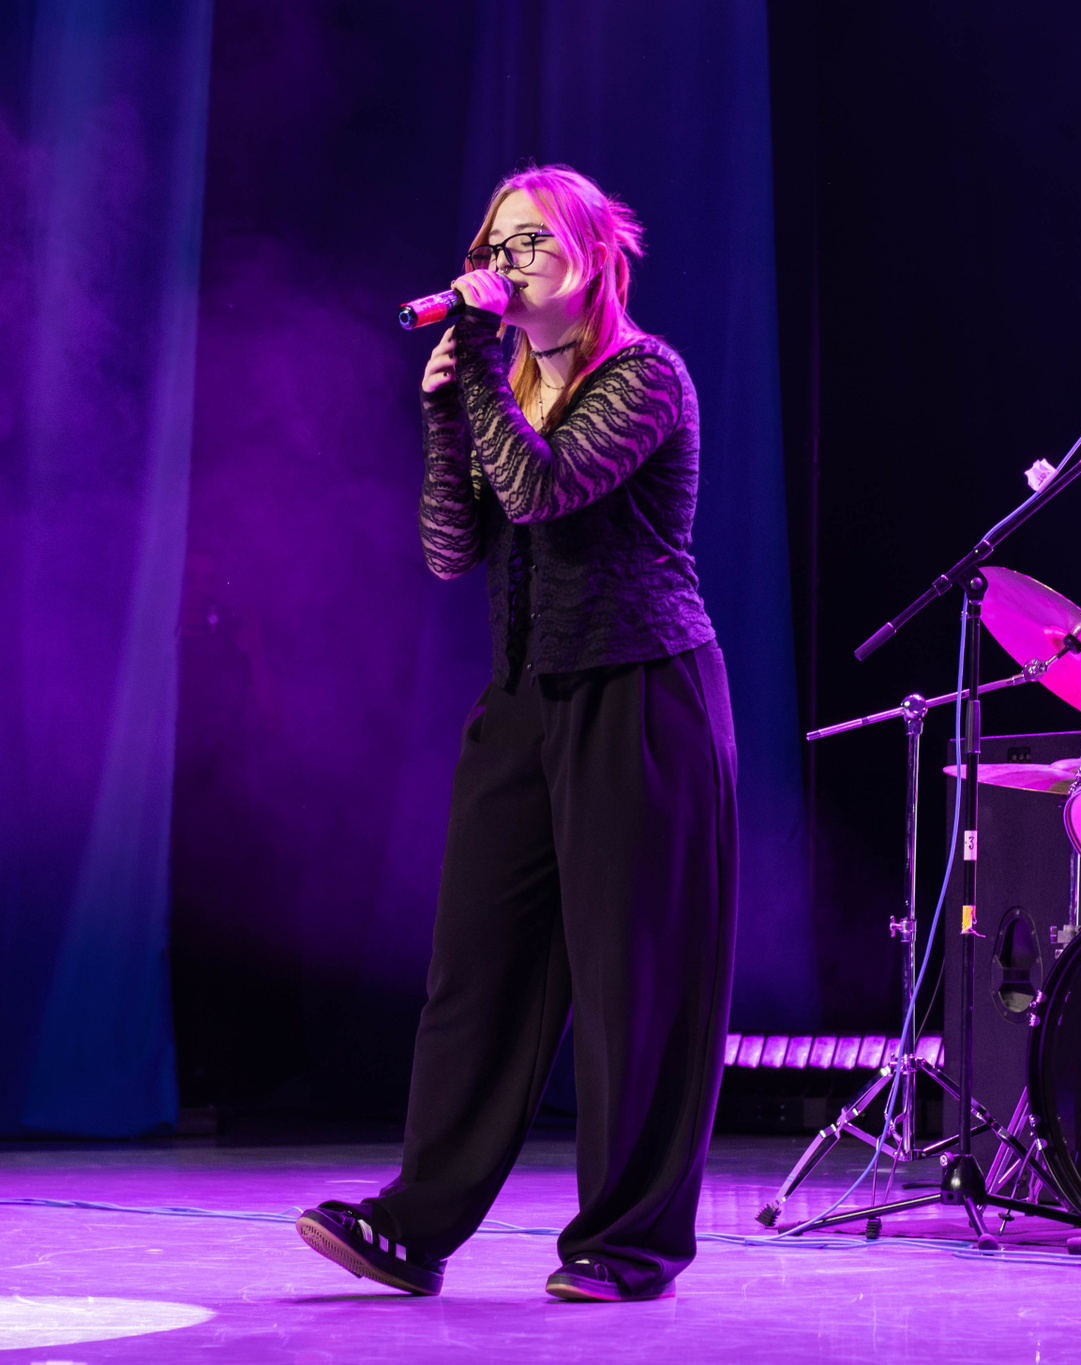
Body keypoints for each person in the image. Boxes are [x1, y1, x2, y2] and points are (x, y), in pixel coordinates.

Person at [295, 165, 737, 1303]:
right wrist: (446, 412)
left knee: (633, 980)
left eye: (531, 241)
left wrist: (483, 375)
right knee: (476, 968)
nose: (506, 262)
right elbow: (453, 550)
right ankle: (414, 1224)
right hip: (523, 698)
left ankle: (627, 1242)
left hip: (642, 691)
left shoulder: (647, 376)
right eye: (494, 245)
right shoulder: (507, 389)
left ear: (593, 255)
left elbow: (546, 494)